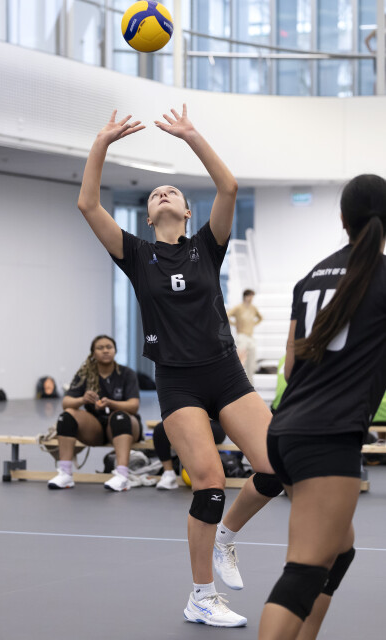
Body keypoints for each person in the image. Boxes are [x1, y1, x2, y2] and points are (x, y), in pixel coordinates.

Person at [77, 105, 283, 627]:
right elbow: (88, 203)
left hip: (226, 372)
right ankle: (201, 596)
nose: (162, 194)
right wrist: (102, 143)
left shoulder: (207, 248)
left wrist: (191, 136)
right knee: (209, 482)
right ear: (148, 218)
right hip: (178, 379)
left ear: (188, 212)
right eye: (154, 195)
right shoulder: (135, 254)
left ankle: (227, 538)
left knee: (277, 466)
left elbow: (229, 186)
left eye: (172, 193)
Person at [257, 174, 386, 640]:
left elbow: (291, 366)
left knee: (339, 549)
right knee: (305, 568)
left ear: (343, 220)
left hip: (286, 430)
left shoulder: (312, 276)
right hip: (326, 437)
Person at [48, 334, 148, 492]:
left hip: (126, 425)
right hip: (96, 428)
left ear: (115, 351)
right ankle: (65, 474)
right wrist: (82, 399)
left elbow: (134, 405)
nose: (105, 350)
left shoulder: (127, 373)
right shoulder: (85, 375)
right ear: (93, 353)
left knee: (119, 416)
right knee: (66, 416)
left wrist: (111, 403)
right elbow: (66, 402)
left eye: (109, 347)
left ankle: (122, 476)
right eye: (100, 348)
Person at [152, 419, 226, 490]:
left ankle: (205, 474)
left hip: (213, 423)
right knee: (160, 428)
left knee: (194, 428)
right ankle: (169, 473)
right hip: (188, 421)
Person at [227, 289, 263, 384]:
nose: (251, 298)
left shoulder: (253, 308)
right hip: (242, 336)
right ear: (245, 296)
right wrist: (234, 324)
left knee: (251, 363)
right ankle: (239, 383)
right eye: (250, 296)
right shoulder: (238, 307)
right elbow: (227, 315)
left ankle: (250, 384)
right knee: (241, 361)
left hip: (250, 336)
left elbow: (260, 318)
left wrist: (253, 324)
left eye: (252, 296)